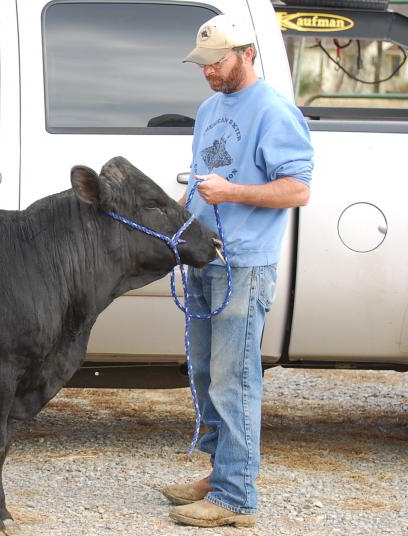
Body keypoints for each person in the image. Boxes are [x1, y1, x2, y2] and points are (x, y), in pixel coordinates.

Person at [161, 14, 313, 528]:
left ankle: (236, 498)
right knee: (206, 373)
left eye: (217, 62)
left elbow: (297, 189)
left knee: (234, 380)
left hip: (243, 264)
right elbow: (201, 178)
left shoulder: (274, 110)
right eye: (202, 64)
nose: (208, 72)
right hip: (205, 257)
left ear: (247, 53)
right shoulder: (209, 109)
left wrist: (231, 192)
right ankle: (219, 473)